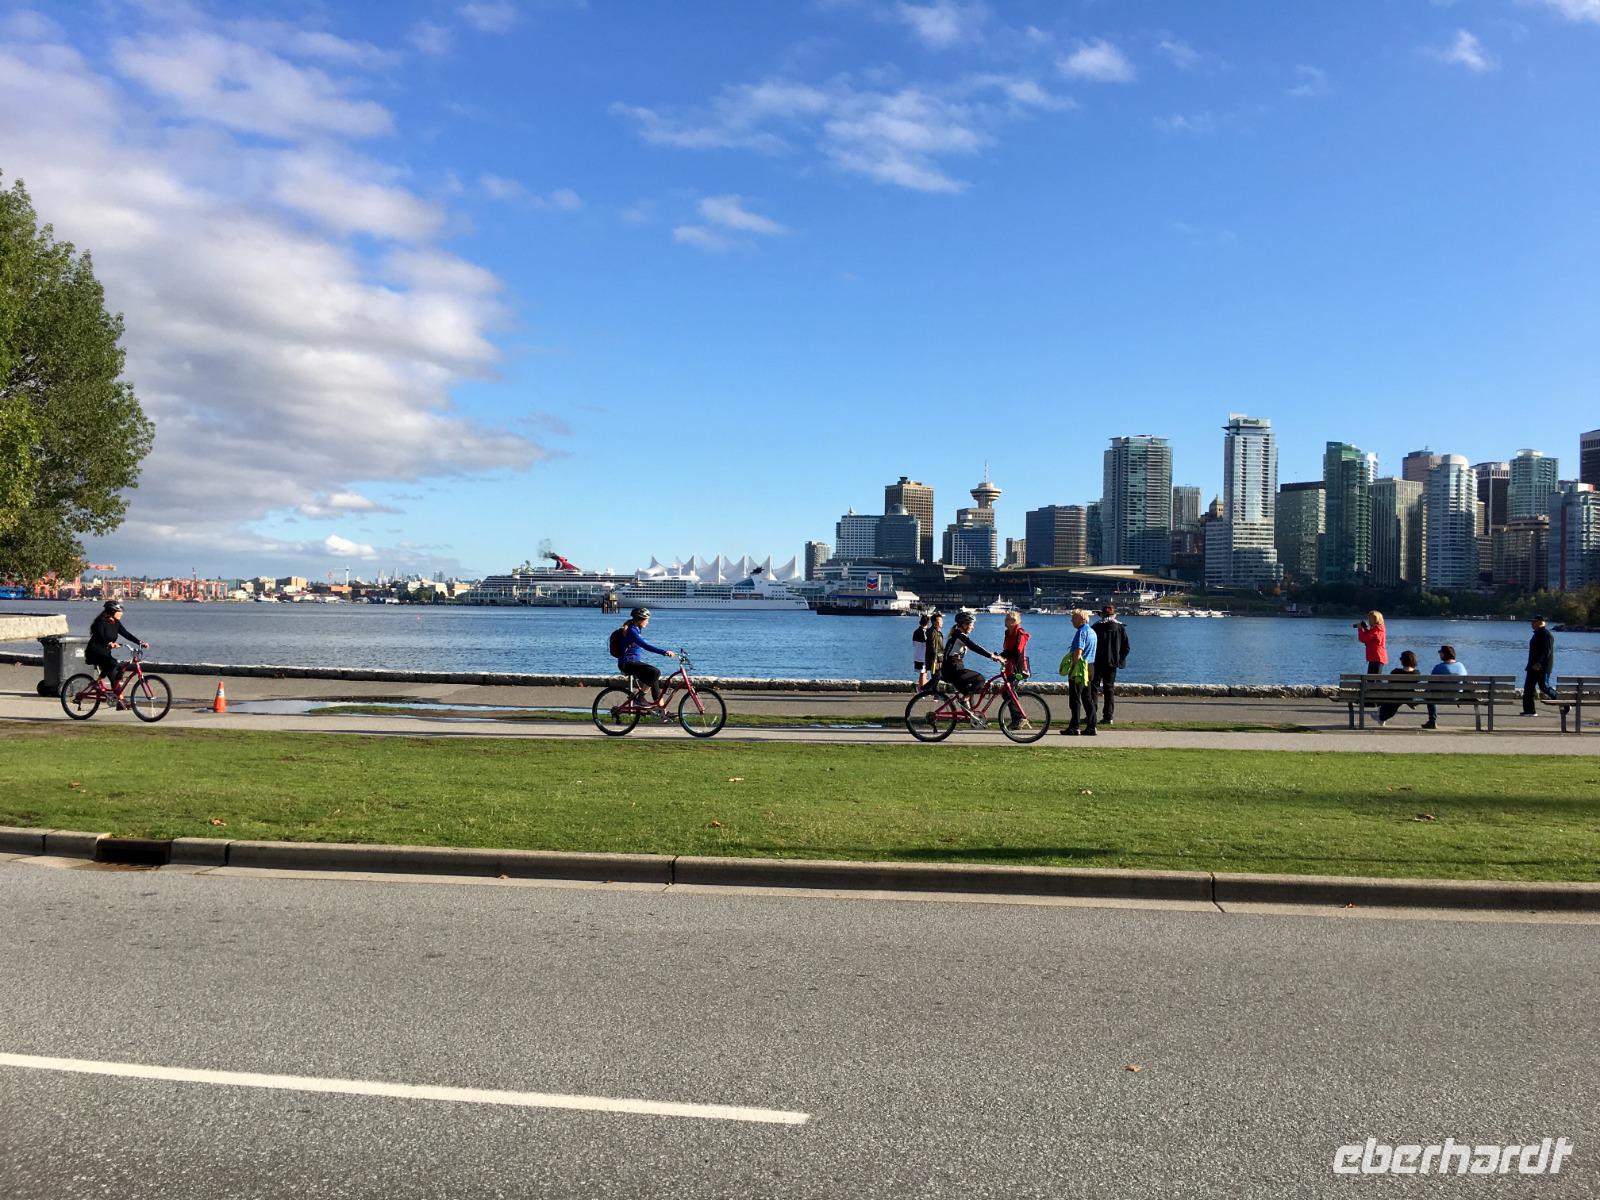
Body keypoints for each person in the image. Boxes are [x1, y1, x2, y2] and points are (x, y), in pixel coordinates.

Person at [612, 607, 676, 712]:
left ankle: (663, 711)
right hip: (627, 663)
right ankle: (640, 698)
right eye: (646, 620)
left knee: (654, 678)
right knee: (656, 672)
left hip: (633, 662)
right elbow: (645, 646)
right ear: (640, 619)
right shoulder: (632, 631)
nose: (648, 622)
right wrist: (664, 652)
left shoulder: (636, 629)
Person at [939, 610, 1003, 709]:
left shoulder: (958, 635)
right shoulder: (959, 636)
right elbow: (974, 647)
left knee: (969, 692)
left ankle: (972, 719)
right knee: (980, 679)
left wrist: (991, 655)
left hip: (953, 669)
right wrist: (991, 656)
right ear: (964, 625)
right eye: (971, 624)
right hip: (953, 670)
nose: (973, 627)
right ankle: (965, 700)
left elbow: (977, 647)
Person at [86, 600, 146, 700]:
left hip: (105, 653)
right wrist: (109, 643)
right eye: (120, 611)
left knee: (115, 674)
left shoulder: (116, 623)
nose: (121, 613)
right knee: (112, 664)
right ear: (113, 612)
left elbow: (126, 634)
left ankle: (120, 700)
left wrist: (140, 642)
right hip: (95, 652)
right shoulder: (101, 622)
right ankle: (97, 683)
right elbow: (101, 636)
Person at [1059, 608, 1098, 736]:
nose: (1072, 621)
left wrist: (1073, 667)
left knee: (1075, 698)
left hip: (1079, 668)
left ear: (1081, 619)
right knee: (1087, 698)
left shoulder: (1081, 632)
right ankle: (1092, 726)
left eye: (1074, 618)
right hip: (1090, 666)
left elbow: (1078, 652)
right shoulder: (1092, 632)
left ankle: (1074, 726)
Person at [1091, 603, 1130, 726]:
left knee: (1093, 689)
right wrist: (1119, 659)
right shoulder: (1120, 628)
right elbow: (1126, 647)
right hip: (1112, 663)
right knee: (1109, 689)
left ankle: (1091, 715)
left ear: (1102, 615)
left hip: (1096, 662)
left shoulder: (1096, 627)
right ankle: (1108, 716)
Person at [1421, 644, 1467, 730]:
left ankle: (1432, 721)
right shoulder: (1461, 666)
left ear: (1444, 654)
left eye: (1440, 652)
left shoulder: (1438, 667)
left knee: (1429, 694)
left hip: (1440, 697)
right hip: (1457, 697)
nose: (1439, 654)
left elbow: (1430, 684)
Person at [1375, 650, 1420, 727]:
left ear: (1402, 661)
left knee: (1391, 702)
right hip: (1409, 697)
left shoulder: (1395, 672)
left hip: (1395, 696)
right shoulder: (1417, 673)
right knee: (1394, 703)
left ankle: (1381, 717)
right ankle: (1382, 717)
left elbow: (1390, 684)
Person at [1523, 615, 1557, 715]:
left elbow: (1547, 651)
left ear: (1540, 622)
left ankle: (1563, 701)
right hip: (1532, 667)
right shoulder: (1536, 634)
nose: (1532, 624)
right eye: (1532, 622)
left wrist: (1539, 663)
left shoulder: (1547, 634)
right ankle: (1529, 710)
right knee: (1528, 688)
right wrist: (1531, 665)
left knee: (1544, 687)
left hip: (1542, 667)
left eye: (1534, 622)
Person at [1001, 611, 1030, 680]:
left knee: (1011, 689)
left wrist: (1001, 655)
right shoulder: (1008, 633)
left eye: (1008, 619)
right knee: (1006, 688)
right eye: (1005, 618)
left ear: (1014, 621)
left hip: (1018, 667)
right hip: (1009, 665)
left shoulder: (1020, 633)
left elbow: (1017, 652)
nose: (1005, 620)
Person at [922, 611, 945, 691]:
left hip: (938, 658)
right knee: (937, 677)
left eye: (942, 621)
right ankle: (922, 689)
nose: (942, 622)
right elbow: (933, 647)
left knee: (936, 677)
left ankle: (935, 694)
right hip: (935, 659)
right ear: (934, 622)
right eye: (940, 621)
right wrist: (934, 660)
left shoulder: (937, 632)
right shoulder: (933, 632)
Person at [912, 612, 931, 691]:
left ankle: (921, 687)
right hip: (923, 656)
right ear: (928, 623)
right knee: (923, 673)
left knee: (923, 673)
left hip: (917, 655)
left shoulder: (916, 631)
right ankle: (922, 689)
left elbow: (914, 643)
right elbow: (927, 643)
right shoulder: (925, 632)